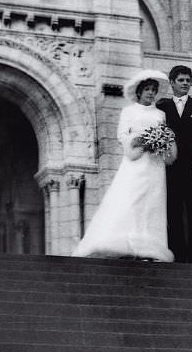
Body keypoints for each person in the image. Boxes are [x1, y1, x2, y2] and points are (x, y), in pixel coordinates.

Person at [72, 69, 175, 262]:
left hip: (154, 163)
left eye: (153, 90)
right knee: (131, 198)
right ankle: (127, 244)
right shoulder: (129, 111)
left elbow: (165, 134)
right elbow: (122, 135)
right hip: (135, 161)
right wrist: (138, 142)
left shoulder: (160, 114)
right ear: (139, 91)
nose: (151, 93)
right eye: (147, 90)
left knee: (152, 202)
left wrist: (160, 142)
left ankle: (149, 248)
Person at [156, 65, 192, 264]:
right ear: (172, 82)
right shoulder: (162, 107)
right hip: (171, 168)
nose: (185, 83)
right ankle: (177, 256)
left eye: (188, 80)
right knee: (174, 213)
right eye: (181, 80)